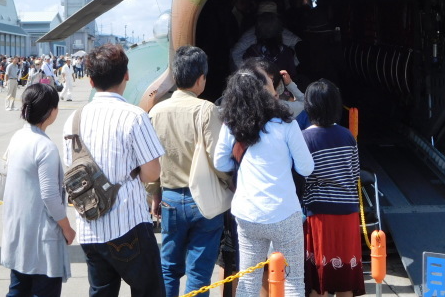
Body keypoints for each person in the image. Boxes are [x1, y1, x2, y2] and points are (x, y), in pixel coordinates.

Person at [62, 44, 166, 297]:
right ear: (126, 75)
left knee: (101, 291)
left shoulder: (74, 118)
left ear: (90, 80)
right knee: (149, 290)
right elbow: (153, 172)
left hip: (89, 228)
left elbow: (72, 169)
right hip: (127, 223)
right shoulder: (133, 116)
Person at [214, 65, 314, 297]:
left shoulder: (232, 124)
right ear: (261, 90)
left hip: (248, 214)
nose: (273, 87)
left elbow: (220, 163)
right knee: (293, 281)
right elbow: (306, 168)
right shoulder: (286, 124)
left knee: (248, 281)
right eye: (269, 82)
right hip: (284, 213)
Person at [148, 45, 232, 297]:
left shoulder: (156, 111)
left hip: (170, 199)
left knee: (168, 269)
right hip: (203, 202)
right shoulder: (206, 110)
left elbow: (152, 162)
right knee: (199, 273)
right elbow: (219, 161)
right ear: (200, 79)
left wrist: (154, 194)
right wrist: (229, 183)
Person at [1, 83, 76, 296]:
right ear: (51, 111)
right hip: (41, 237)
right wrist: (66, 227)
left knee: (18, 288)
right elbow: (50, 195)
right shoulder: (45, 147)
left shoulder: (18, 137)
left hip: (18, 230)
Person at [302, 79, 365, 297]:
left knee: (320, 278)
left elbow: (303, 178)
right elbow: (355, 173)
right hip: (348, 211)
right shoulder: (348, 136)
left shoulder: (305, 138)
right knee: (344, 276)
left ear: (309, 105)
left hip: (320, 214)